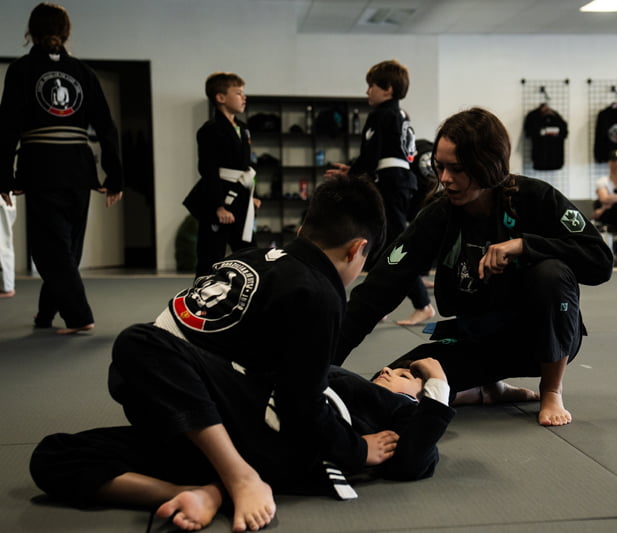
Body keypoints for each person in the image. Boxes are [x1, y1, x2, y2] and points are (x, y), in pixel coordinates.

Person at [29, 176, 396, 532]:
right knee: (53, 456)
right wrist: (357, 451)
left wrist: (354, 449)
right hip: (191, 421)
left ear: (302, 229)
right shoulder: (318, 290)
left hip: (233, 422)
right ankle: (203, 490)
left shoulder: (265, 265)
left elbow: (300, 401)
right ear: (356, 249)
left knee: (140, 343)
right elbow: (301, 405)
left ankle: (237, 475)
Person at [334, 107, 614, 427]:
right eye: (440, 167)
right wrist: (324, 364)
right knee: (389, 387)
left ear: (487, 164)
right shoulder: (439, 215)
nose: (445, 179)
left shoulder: (536, 198)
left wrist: (525, 246)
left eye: (457, 169)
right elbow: (378, 289)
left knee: (552, 273)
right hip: (481, 341)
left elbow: (600, 261)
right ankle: (484, 390)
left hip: (541, 340)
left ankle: (551, 389)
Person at [30, 356, 454, 532]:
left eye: (403, 375)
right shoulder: (342, 377)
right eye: (391, 368)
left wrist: (437, 382)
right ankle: (199, 491)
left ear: (416, 400)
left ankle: (217, 485)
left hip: (253, 444)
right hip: (210, 427)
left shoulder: (393, 412)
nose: (388, 370)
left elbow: (413, 459)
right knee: (53, 455)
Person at [0, 2, 124, 333]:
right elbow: (106, 127)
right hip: (79, 168)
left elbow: (7, 127)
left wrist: (4, 176)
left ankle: (80, 316)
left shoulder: (21, 70)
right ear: (66, 32)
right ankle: (45, 314)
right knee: (65, 248)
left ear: (31, 32)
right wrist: (115, 176)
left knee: (50, 250)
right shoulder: (83, 72)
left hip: (41, 166)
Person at [324, 59, 434, 326]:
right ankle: (379, 304)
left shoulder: (380, 115)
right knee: (380, 245)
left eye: (371, 86)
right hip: (401, 181)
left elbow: (371, 155)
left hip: (390, 183)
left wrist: (352, 174)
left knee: (397, 246)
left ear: (387, 89)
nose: (367, 91)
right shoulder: (401, 115)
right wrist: (353, 170)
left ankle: (423, 304)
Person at [183, 72, 261, 278]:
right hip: (218, 200)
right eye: (238, 93)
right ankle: (202, 294)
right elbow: (208, 170)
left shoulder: (243, 129)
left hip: (241, 197)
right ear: (220, 98)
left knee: (249, 255)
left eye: (243, 93)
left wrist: (252, 196)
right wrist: (218, 206)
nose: (244, 97)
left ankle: (249, 292)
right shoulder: (210, 130)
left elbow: (246, 168)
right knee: (210, 256)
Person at [0, 193, 15, 298]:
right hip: (4, 199)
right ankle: (7, 286)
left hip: (3, 200)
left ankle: (8, 287)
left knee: (3, 244)